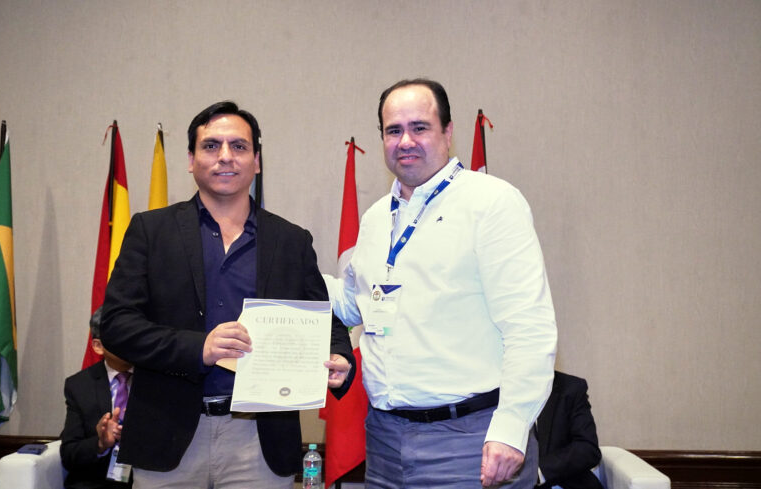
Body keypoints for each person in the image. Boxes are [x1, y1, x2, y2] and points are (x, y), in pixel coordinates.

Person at [100, 101, 354, 489]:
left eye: (238, 146)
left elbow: (325, 321)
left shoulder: (291, 240)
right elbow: (117, 325)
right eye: (211, 146)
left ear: (257, 161)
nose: (225, 156)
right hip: (167, 436)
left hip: (259, 441)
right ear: (191, 160)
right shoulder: (151, 231)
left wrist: (340, 356)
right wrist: (198, 348)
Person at [324, 78, 557, 488]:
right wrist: (285, 267)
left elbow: (529, 327)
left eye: (419, 127)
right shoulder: (377, 218)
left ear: (448, 132)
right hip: (384, 441)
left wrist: (512, 427)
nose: (405, 141)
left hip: (470, 441)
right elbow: (351, 303)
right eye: (393, 130)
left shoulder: (492, 203)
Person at [60, 307, 133, 489]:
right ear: (98, 346)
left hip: (149, 480)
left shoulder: (157, 380)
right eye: (120, 336)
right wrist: (100, 443)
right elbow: (69, 453)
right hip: (96, 482)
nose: (129, 342)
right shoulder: (79, 385)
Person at [535, 372, 603, 489]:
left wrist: (537, 472)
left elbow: (588, 448)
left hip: (564, 483)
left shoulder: (570, 388)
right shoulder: (502, 390)